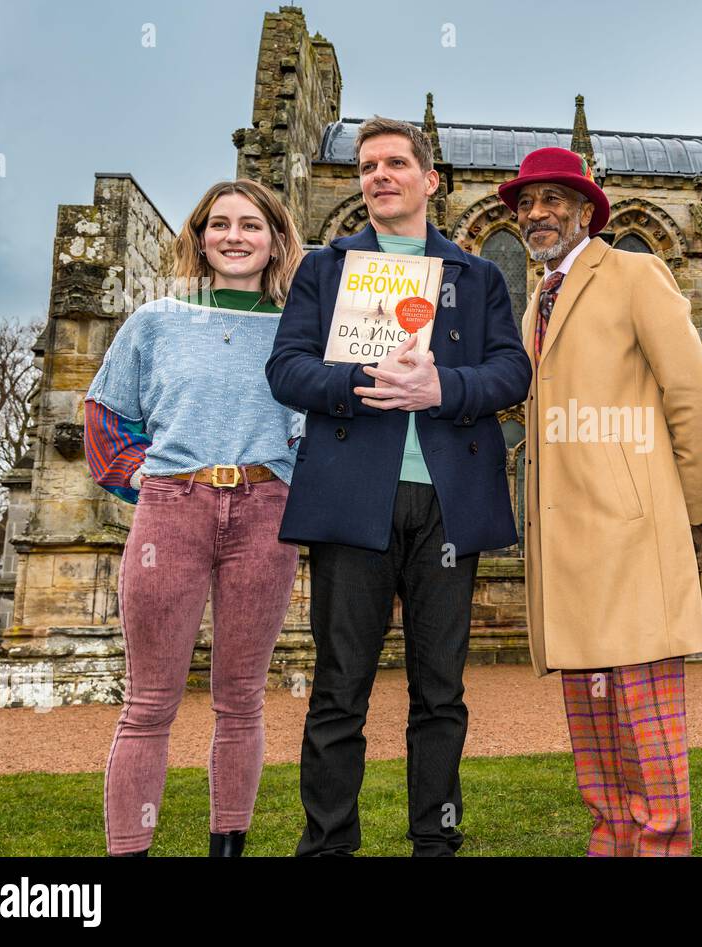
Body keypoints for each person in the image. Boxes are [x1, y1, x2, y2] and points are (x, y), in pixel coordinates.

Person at [265, 117, 531, 856]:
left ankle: (434, 843)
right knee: (339, 689)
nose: (379, 175)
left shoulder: (475, 276)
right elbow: (285, 370)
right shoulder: (327, 268)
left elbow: (514, 372)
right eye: (367, 165)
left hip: (448, 503)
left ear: (429, 178)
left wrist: (441, 385)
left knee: (439, 691)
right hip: (353, 501)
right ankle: (327, 846)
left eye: (394, 163)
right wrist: (361, 381)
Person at [502, 147, 702, 856]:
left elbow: (697, 397)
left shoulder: (634, 273)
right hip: (568, 555)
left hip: (631, 548)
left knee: (651, 756)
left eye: (551, 200)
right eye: (525, 204)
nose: (536, 213)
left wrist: (673, 513)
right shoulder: (538, 298)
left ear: (585, 209)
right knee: (598, 759)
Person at [84, 178, 305, 857]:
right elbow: (104, 413)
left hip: (267, 510)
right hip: (172, 509)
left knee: (240, 697)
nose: (234, 236)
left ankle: (227, 847)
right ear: (200, 237)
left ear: (274, 241)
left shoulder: (302, 329)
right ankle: (130, 849)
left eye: (251, 225)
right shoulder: (155, 321)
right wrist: (133, 471)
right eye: (219, 224)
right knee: (150, 701)